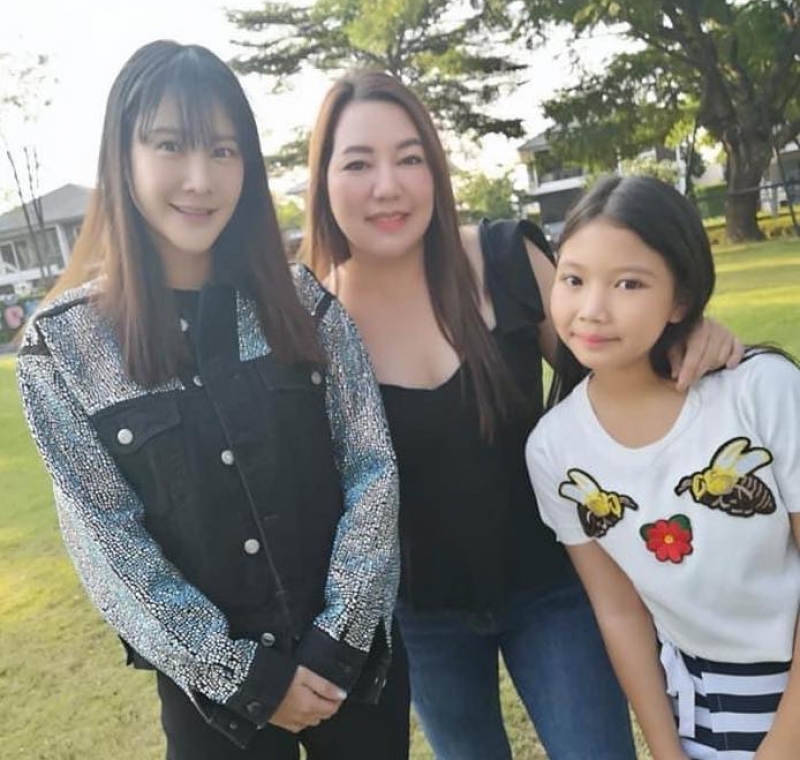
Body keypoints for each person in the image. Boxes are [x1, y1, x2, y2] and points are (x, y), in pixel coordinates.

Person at [301, 70, 744, 760]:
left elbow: (614, 354)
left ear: (435, 169)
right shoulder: (310, 324)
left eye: (410, 158)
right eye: (358, 163)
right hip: (421, 616)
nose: (388, 186)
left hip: (555, 586)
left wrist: (687, 336)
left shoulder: (507, 256)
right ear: (324, 179)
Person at [16, 41, 409, 760]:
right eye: (171, 145)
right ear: (122, 155)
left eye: (224, 151)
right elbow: (107, 542)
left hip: (355, 676)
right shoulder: (63, 349)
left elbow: (372, 469)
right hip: (215, 713)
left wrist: (337, 642)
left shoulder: (306, 305)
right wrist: (245, 678)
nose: (200, 179)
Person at [526, 174, 800, 759]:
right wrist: (666, 750)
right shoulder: (554, 449)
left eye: (628, 283)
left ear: (681, 297)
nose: (592, 310)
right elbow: (619, 611)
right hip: (699, 708)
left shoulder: (762, 391)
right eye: (573, 279)